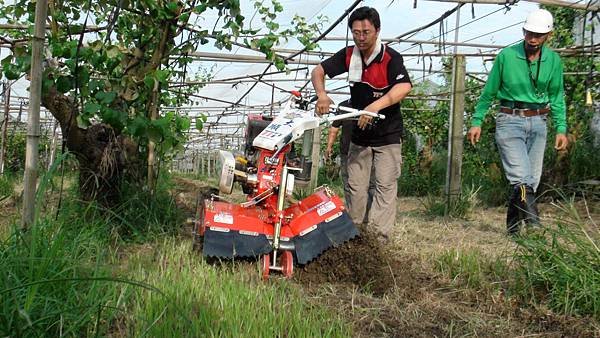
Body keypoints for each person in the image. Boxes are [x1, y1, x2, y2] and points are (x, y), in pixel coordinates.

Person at [311, 6, 412, 240]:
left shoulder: (390, 58)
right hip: (360, 134)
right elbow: (318, 71)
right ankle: (355, 235)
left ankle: (378, 241)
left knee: (384, 187)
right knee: (356, 188)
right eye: (356, 32)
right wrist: (322, 95)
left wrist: (375, 106)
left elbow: (404, 86)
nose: (361, 37)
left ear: (377, 31)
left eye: (366, 32)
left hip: (388, 134)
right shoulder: (349, 55)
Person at [467, 8, 568, 235]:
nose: (532, 38)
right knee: (521, 178)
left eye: (538, 35)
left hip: (539, 122)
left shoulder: (553, 60)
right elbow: (489, 91)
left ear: (548, 36)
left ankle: (513, 228)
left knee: (529, 182)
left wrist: (561, 128)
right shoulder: (507, 56)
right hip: (509, 120)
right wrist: (477, 120)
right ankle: (534, 225)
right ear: (523, 30)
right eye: (529, 32)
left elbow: (557, 95)